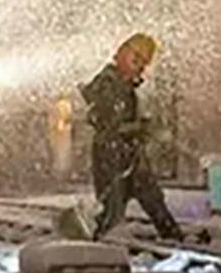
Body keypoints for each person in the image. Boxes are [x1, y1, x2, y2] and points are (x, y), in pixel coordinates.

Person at [79, 33, 184, 242]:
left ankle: (173, 239)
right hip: (113, 158)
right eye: (136, 61)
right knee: (112, 209)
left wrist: (139, 130)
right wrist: (139, 128)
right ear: (121, 54)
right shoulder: (108, 84)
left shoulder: (123, 86)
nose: (140, 68)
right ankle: (100, 250)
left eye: (143, 64)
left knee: (152, 199)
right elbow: (105, 123)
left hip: (130, 156)